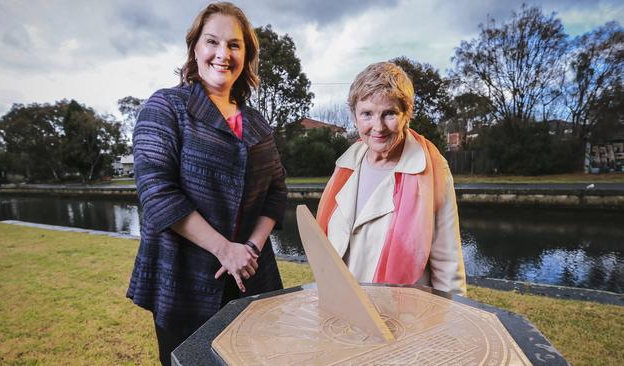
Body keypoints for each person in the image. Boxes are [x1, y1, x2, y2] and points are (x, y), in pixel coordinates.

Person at [126, 3, 287, 365]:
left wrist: (249, 249)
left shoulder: (258, 123)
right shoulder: (166, 107)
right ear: (195, 49)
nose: (223, 54)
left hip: (251, 278)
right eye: (212, 42)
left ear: (246, 55)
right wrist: (224, 249)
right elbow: (156, 192)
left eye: (234, 45)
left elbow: (277, 193)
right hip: (183, 281)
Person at [316, 62, 466, 295]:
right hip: (342, 310)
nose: (378, 127)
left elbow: (448, 264)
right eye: (367, 114)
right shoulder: (345, 166)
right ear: (355, 116)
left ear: (407, 114)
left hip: (402, 315)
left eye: (389, 114)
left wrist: (452, 323)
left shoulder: (434, 170)